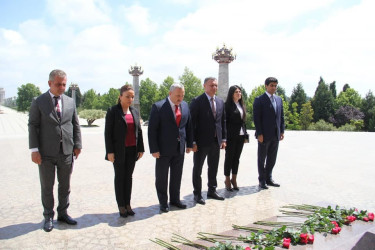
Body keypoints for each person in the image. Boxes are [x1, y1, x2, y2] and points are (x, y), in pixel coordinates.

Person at [28, 69, 82, 232]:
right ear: (50, 83)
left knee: (65, 185)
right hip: (45, 153)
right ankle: (48, 217)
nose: (62, 87)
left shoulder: (70, 102)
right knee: (47, 186)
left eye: (64, 84)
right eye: (58, 84)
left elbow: (75, 124)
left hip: (66, 151)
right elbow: (33, 125)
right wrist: (34, 149)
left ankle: (63, 213)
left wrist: (77, 144)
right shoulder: (39, 101)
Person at [148, 83, 193, 213]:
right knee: (162, 177)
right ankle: (163, 202)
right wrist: (154, 149)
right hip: (163, 149)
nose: (180, 98)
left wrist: (189, 144)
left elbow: (188, 126)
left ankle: (175, 200)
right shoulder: (158, 107)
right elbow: (152, 130)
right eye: (178, 95)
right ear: (170, 94)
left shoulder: (185, 106)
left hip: (180, 148)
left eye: (182, 95)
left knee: (177, 175)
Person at [104, 84, 144, 217]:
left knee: (129, 178)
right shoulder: (113, 111)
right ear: (120, 97)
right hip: (118, 151)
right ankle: (121, 205)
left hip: (132, 150)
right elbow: (108, 133)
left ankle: (128, 204)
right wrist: (110, 151)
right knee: (120, 177)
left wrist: (141, 149)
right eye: (127, 96)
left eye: (132, 97)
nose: (130, 99)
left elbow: (139, 130)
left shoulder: (134, 111)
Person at [190, 77, 227, 205]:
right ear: (204, 86)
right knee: (198, 169)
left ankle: (212, 190)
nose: (214, 88)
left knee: (213, 167)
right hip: (200, 143)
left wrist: (223, 139)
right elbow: (192, 123)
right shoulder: (197, 101)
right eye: (211, 85)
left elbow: (222, 121)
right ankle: (197, 194)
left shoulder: (220, 102)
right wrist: (193, 142)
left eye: (216, 85)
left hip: (216, 141)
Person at [253, 77, 285, 190]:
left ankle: (269, 178)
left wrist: (282, 131)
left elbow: (281, 116)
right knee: (262, 158)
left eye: (275, 86)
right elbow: (256, 118)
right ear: (266, 86)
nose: (274, 87)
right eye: (271, 85)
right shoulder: (259, 99)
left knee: (272, 158)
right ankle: (262, 180)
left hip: (275, 135)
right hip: (264, 135)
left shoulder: (279, 99)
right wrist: (259, 133)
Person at [223, 85, 248, 191]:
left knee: (236, 158)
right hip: (231, 136)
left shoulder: (241, 105)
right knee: (229, 157)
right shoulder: (227, 106)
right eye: (236, 92)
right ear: (231, 94)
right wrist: (224, 138)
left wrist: (245, 135)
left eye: (240, 92)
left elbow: (243, 122)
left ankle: (234, 179)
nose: (239, 93)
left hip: (241, 136)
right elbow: (225, 123)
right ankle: (227, 179)